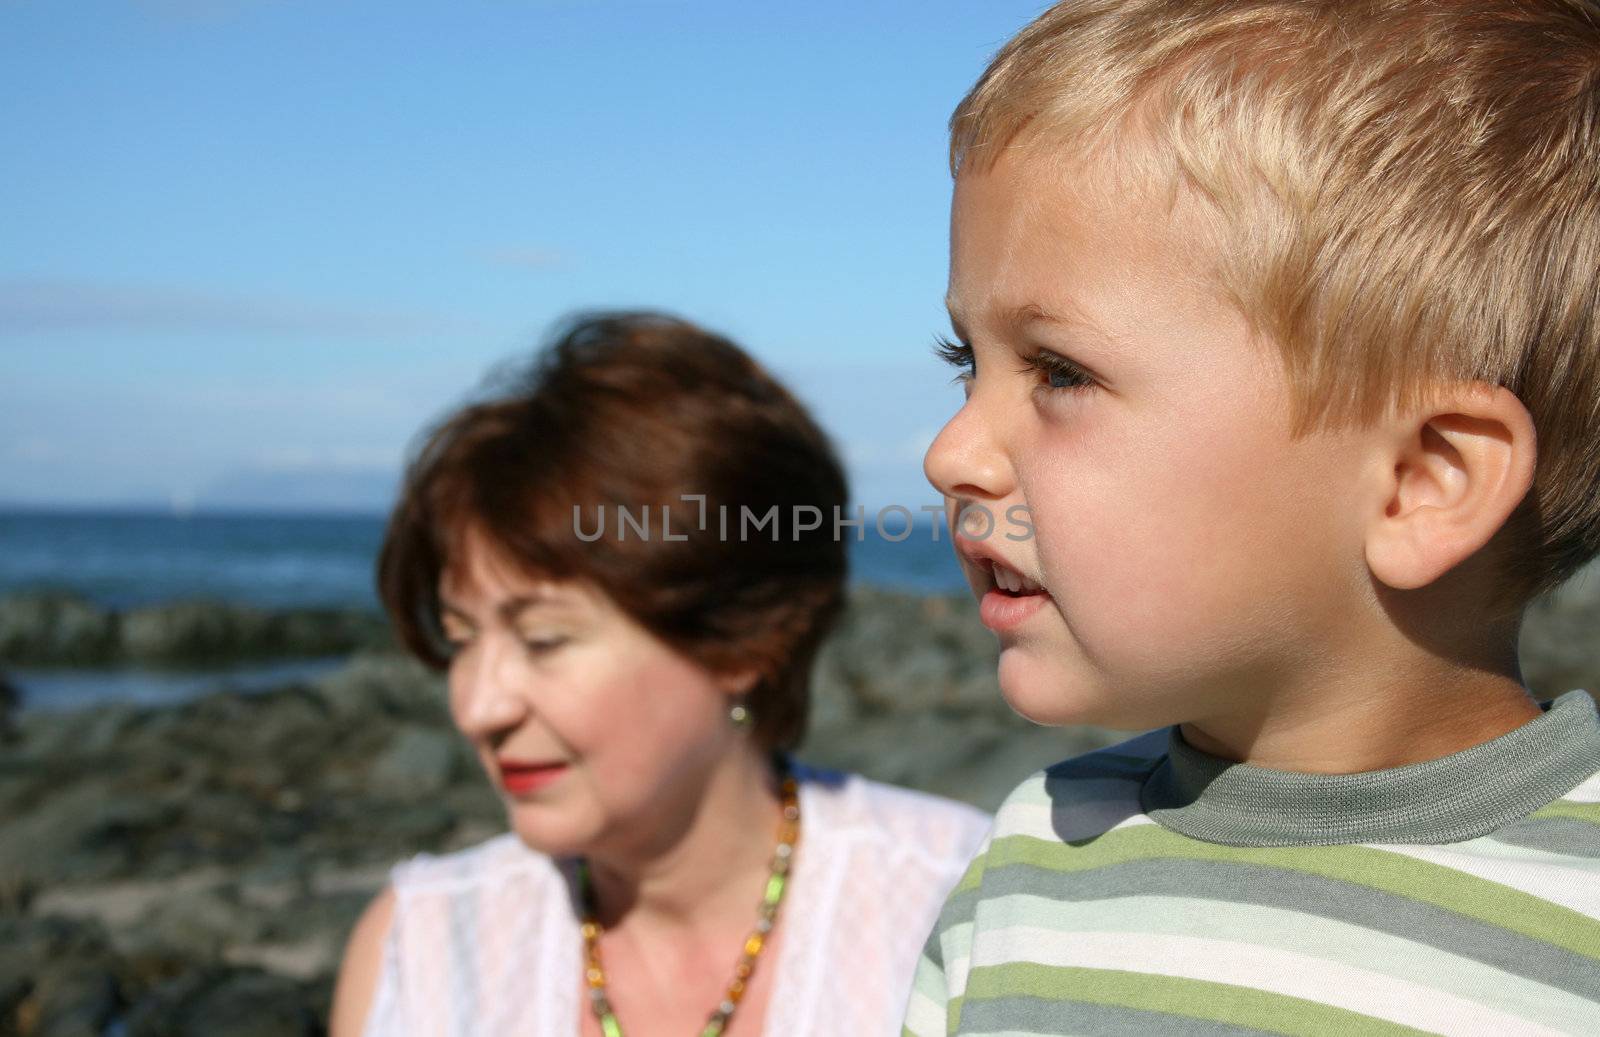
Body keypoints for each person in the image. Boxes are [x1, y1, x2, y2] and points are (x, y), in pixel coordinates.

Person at [904, 1, 1600, 1033]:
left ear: (1424, 478)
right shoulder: (1031, 861)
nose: (948, 453)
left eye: (1059, 369)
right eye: (969, 361)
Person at [328, 312, 991, 1037]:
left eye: (544, 639)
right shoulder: (421, 950)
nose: (479, 706)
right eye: (461, 638)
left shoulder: (965, 912)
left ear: (746, 637)